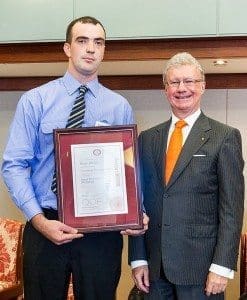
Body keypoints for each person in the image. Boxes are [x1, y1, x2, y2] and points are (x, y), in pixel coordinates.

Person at [1, 16, 147, 300]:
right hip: (46, 225)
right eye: (82, 41)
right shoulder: (35, 100)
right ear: (67, 48)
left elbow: (129, 170)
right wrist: (39, 220)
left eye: (98, 42)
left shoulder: (119, 107)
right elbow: (14, 165)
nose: (91, 48)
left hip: (102, 232)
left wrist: (135, 210)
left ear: (104, 50)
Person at [129, 52, 244, 300]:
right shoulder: (147, 139)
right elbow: (138, 203)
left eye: (189, 81)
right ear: (165, 89)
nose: (182, 88)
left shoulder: (224, 137)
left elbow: (232, 210)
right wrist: (138, 257)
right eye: (174, 82)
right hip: (155, 269)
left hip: (201, 270)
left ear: (202, 87)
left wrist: (222, 266)